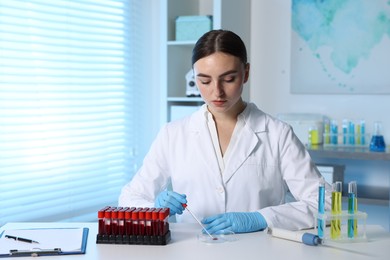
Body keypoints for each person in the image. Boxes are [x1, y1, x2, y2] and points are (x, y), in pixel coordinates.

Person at [119, 29, 331, 234]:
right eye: (204, 81)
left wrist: (261, 218)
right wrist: (156, 208)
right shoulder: (173, 134)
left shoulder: (278, 134)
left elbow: (326, 205)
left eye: (228, 79)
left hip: (259, 251)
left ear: (246, 73)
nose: (216, 91)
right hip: (193, 252)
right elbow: (130, 198)